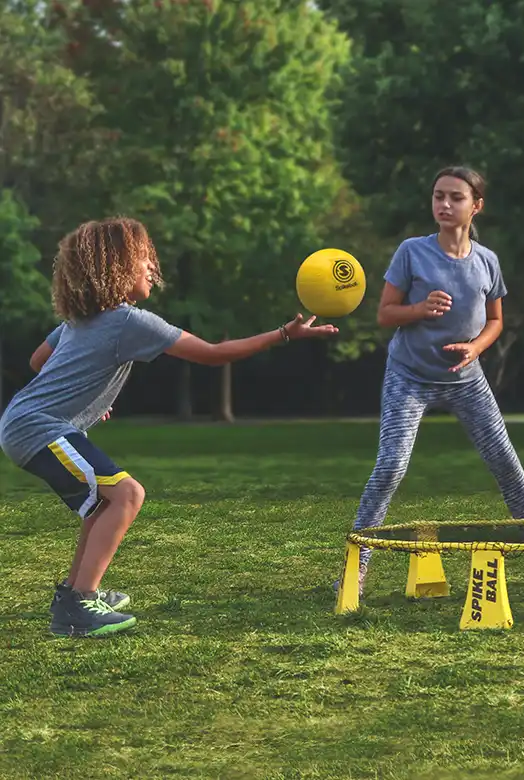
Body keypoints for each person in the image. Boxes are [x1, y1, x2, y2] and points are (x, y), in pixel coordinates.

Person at [0, 216, 338, 638]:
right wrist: (282, 335)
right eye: (143, 259)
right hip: (38, 427)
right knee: (127, 494)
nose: (151, 269)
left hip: (27, 421)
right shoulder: (130, 321)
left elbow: (37, 362)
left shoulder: (79, 320)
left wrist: (85, 395)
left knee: (105, 503)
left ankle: (75, 592)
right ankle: (78, 607)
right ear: (115, 267)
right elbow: (213, 354)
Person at [336, 165, 524, 597]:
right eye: (438, 196)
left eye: (455, 198)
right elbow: (384, 314)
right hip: (409, 376)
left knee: (506, 462)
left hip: (466, 379)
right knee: (391, 466)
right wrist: (419, 309)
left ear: (477, 206)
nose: (444, 205)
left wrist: (476, 349)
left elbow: (495, 321)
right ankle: (356, 567)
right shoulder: (412, 252)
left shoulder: (487, 261)